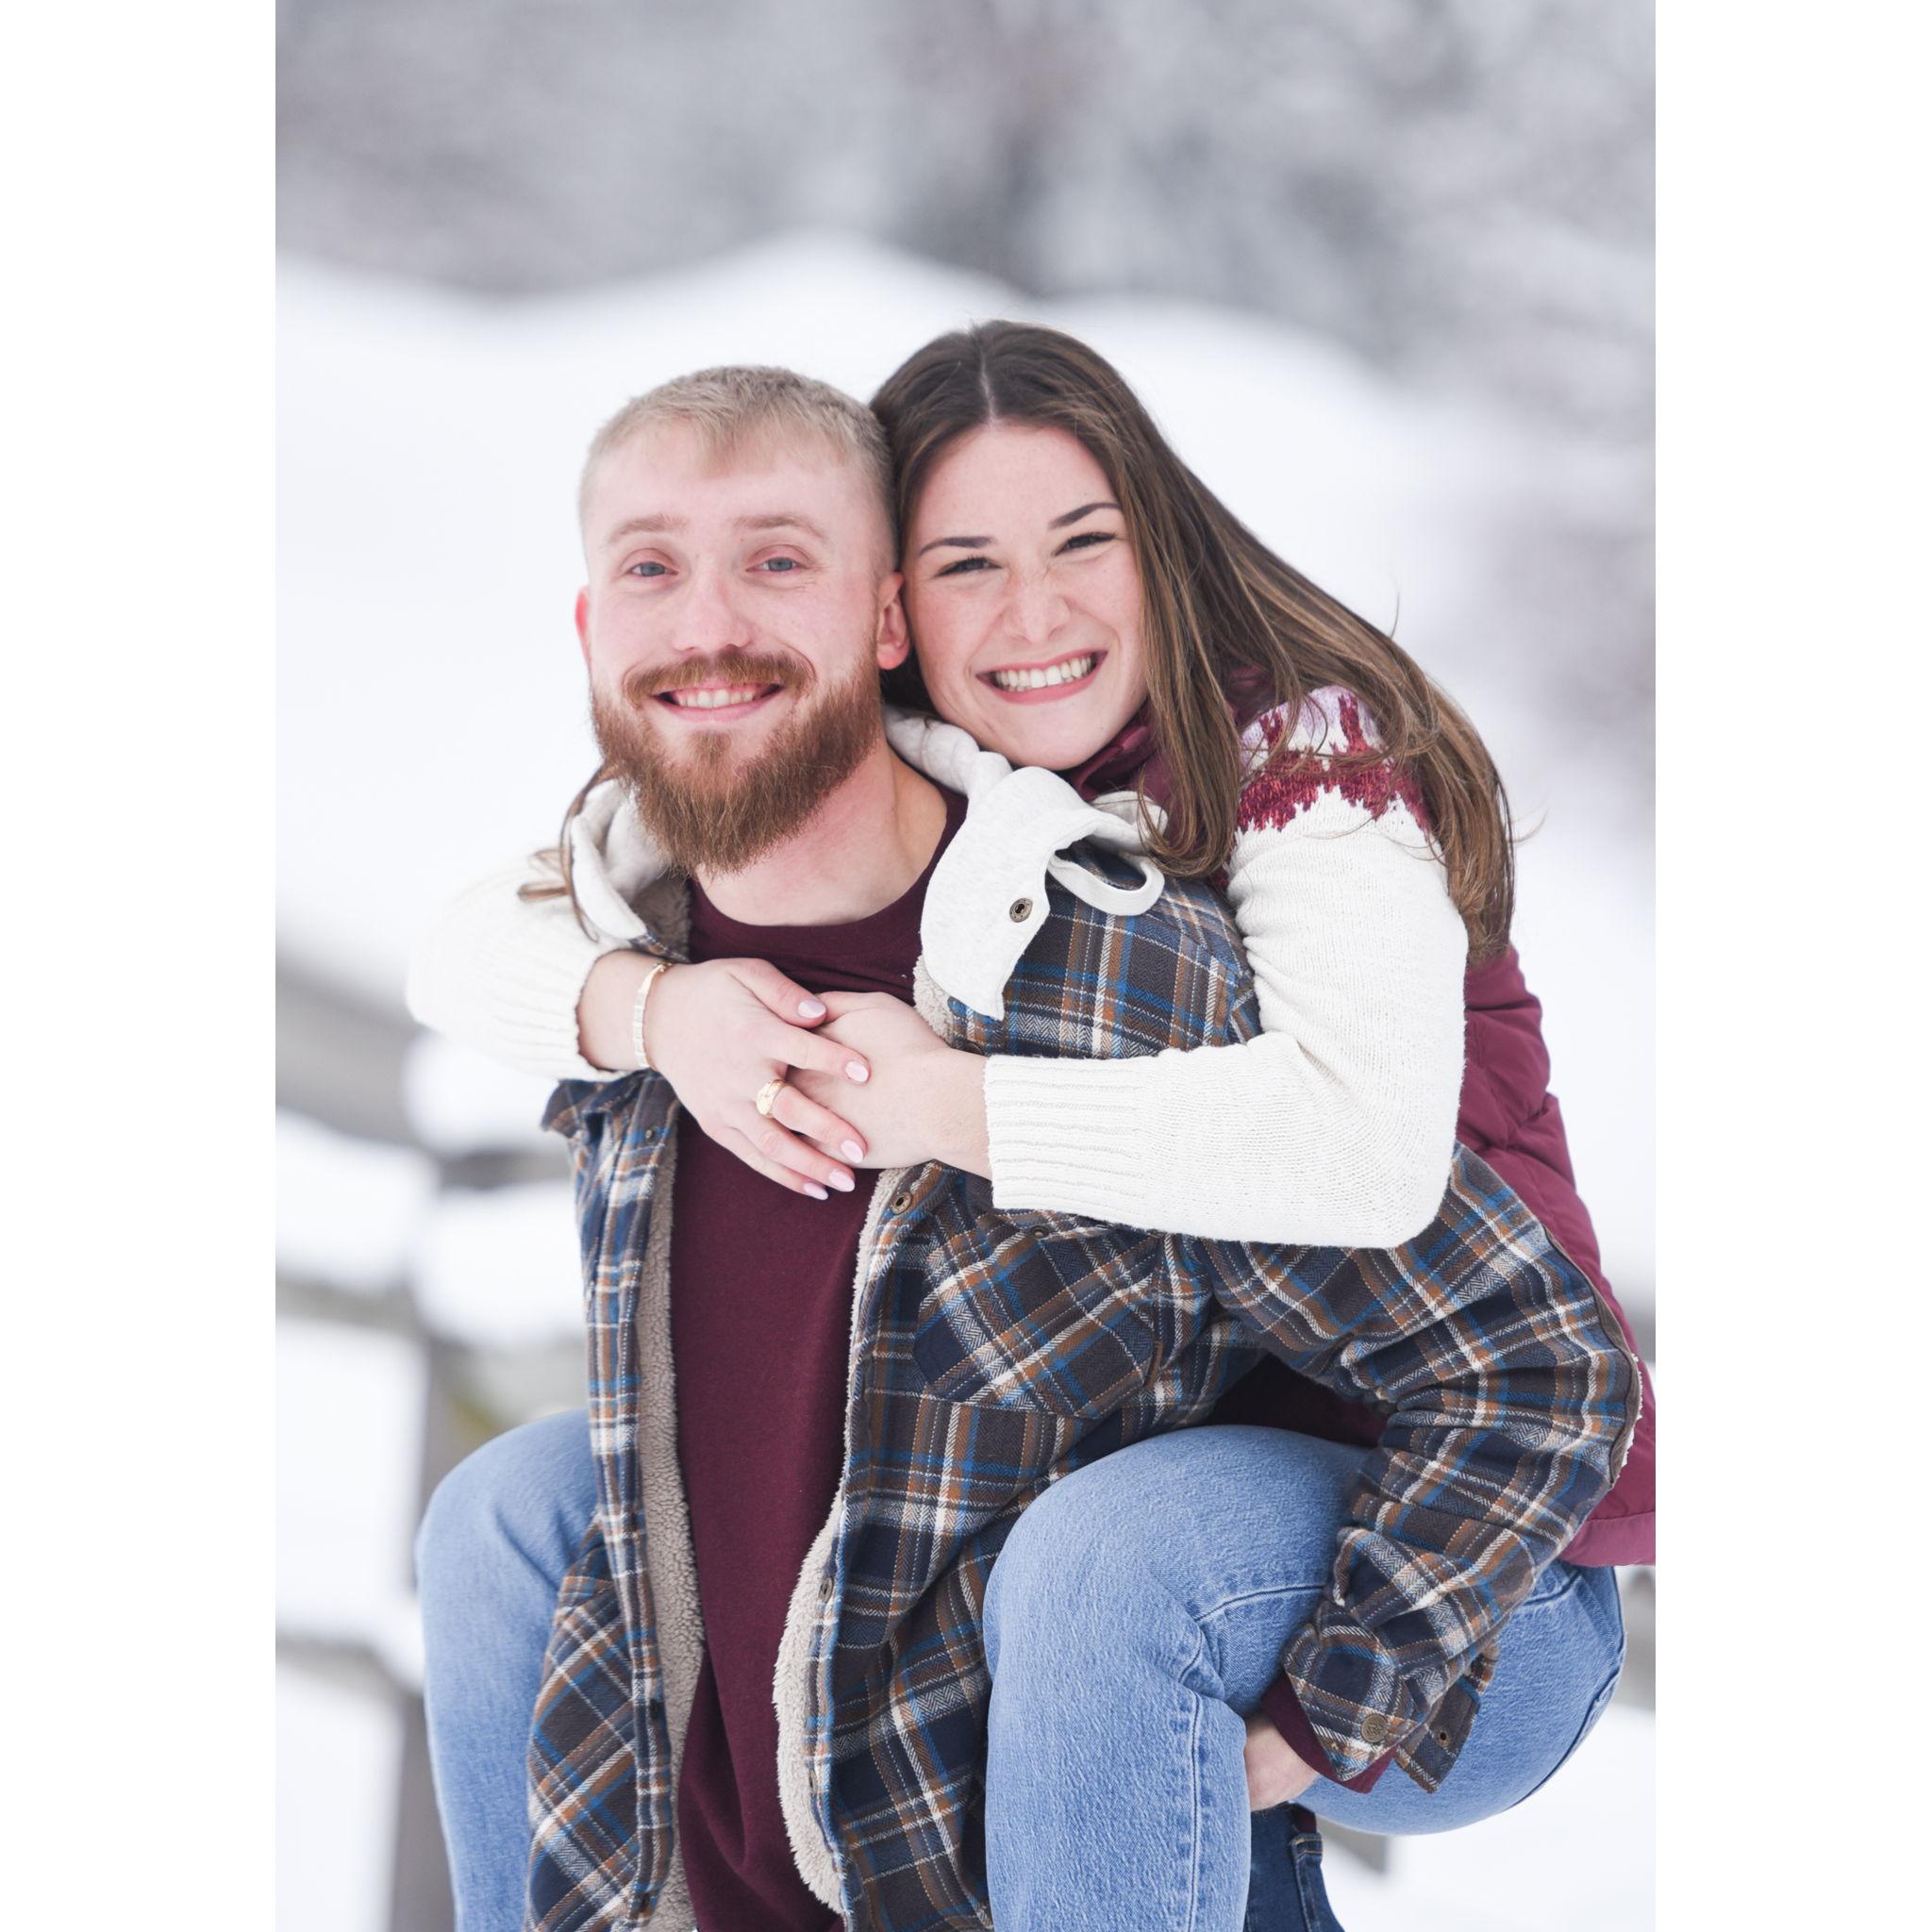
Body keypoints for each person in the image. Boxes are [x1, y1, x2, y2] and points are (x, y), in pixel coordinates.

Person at [408, 350, 1646, 1932]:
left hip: (1477, 1533)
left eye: (1081, 542)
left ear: (1161, 547)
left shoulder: (1289, 783)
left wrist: (956, 1106)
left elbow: (1371, 1171)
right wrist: (652, 1010)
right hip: (1168, 1474)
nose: (1032, 612)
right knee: (515, 1513)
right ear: (898, 618)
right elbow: (468, 940)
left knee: (1107, 1567)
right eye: (965, 566)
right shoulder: (810, 822)